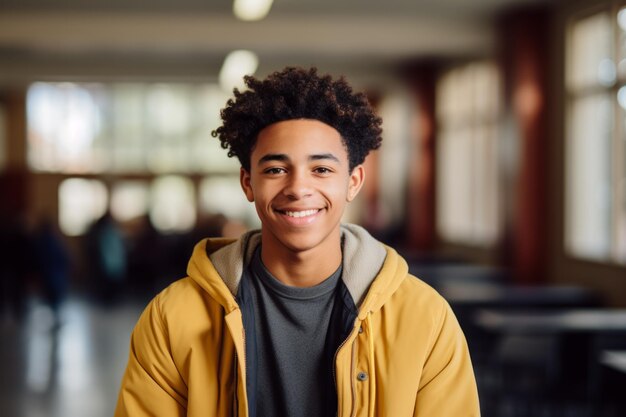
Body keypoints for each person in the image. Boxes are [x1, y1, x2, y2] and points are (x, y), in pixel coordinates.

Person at [115, 67, 480, 417]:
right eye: (276, 169)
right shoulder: (172, 317)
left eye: (321, 169)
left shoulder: (425, 318)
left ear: (353, 182)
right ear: (248, 183)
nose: (298, 189)